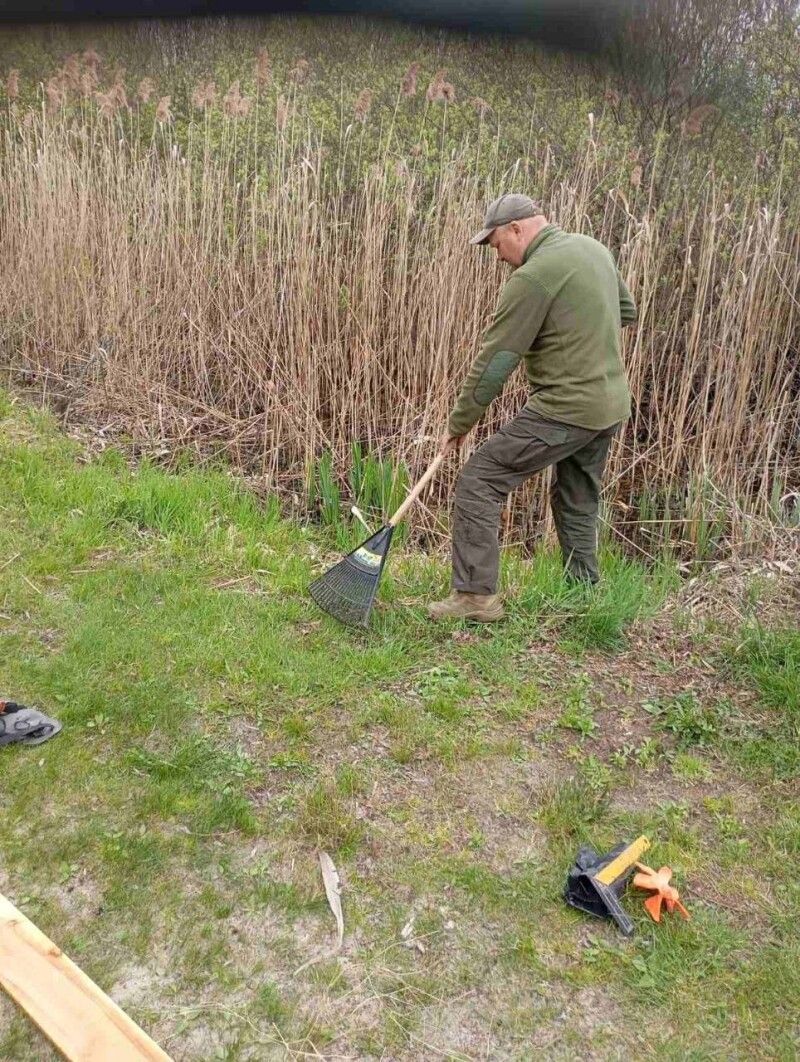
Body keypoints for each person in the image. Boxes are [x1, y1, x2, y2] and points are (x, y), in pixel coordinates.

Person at [428, 193, 638, 623]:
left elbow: (496, 361)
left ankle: (474, 598)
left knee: (480, 480)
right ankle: (584, 594)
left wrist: (460, 422)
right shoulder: (593, 249)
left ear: (517, 229)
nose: (498, 255)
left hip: (565, 408)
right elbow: (626, 311)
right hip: (611, 403)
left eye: (495, 244)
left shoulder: (533, 277)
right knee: (577, 496)